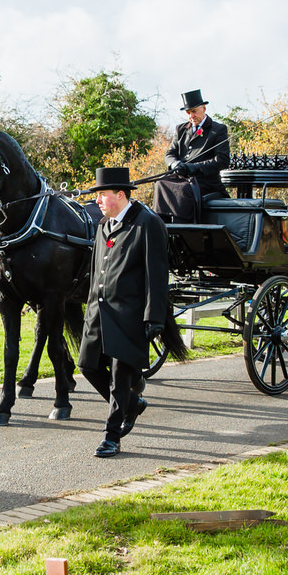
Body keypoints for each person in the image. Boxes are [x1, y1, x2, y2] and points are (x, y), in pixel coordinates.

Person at [79, 166, 172, 459]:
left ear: (120, 195)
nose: (97, 201)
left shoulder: (147, 224)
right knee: (87, 366)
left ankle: (112, 437)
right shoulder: (103, 226)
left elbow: (156, 275)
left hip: (129, 316)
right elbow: (96, 272)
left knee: (119, 379)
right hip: (98, 312)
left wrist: (154, 318)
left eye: (102, 195)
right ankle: (132, 404)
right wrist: (89, 310)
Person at [154, 90, 231, 221]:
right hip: (182, 177)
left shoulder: (218, 130)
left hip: (205, 181)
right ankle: (162, 225)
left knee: (182, 189)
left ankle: (182, 227)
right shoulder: (181, 129)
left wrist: (193, 167)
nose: (191, 116)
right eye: (188, 113)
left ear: (204, 108)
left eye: (194, 111)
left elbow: (222, 160)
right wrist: (174, 164)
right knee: (160, 183)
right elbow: (170, 153)